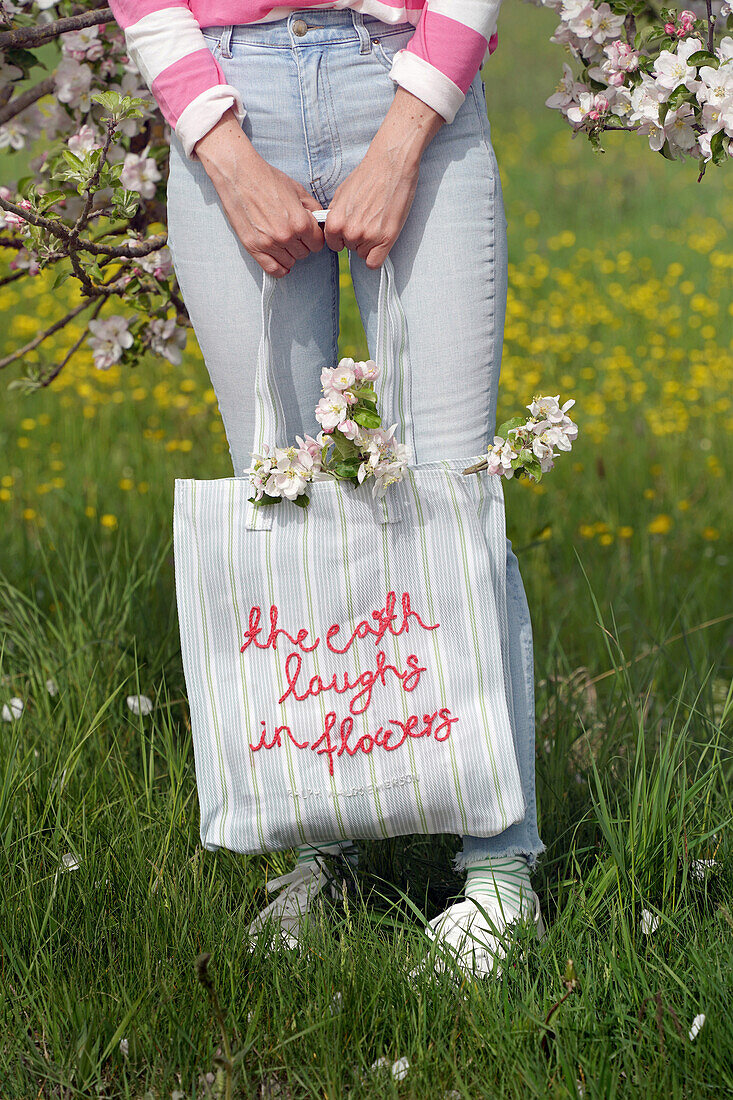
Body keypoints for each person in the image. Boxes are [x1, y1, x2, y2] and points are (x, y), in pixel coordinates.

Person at [107, 0, 547, 978]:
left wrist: (401, 142)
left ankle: (499, 869)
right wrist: (222, 151)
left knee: (451, 494)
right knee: (281, 499)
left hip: (406, 83)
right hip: (226, 101)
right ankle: (323, 843)